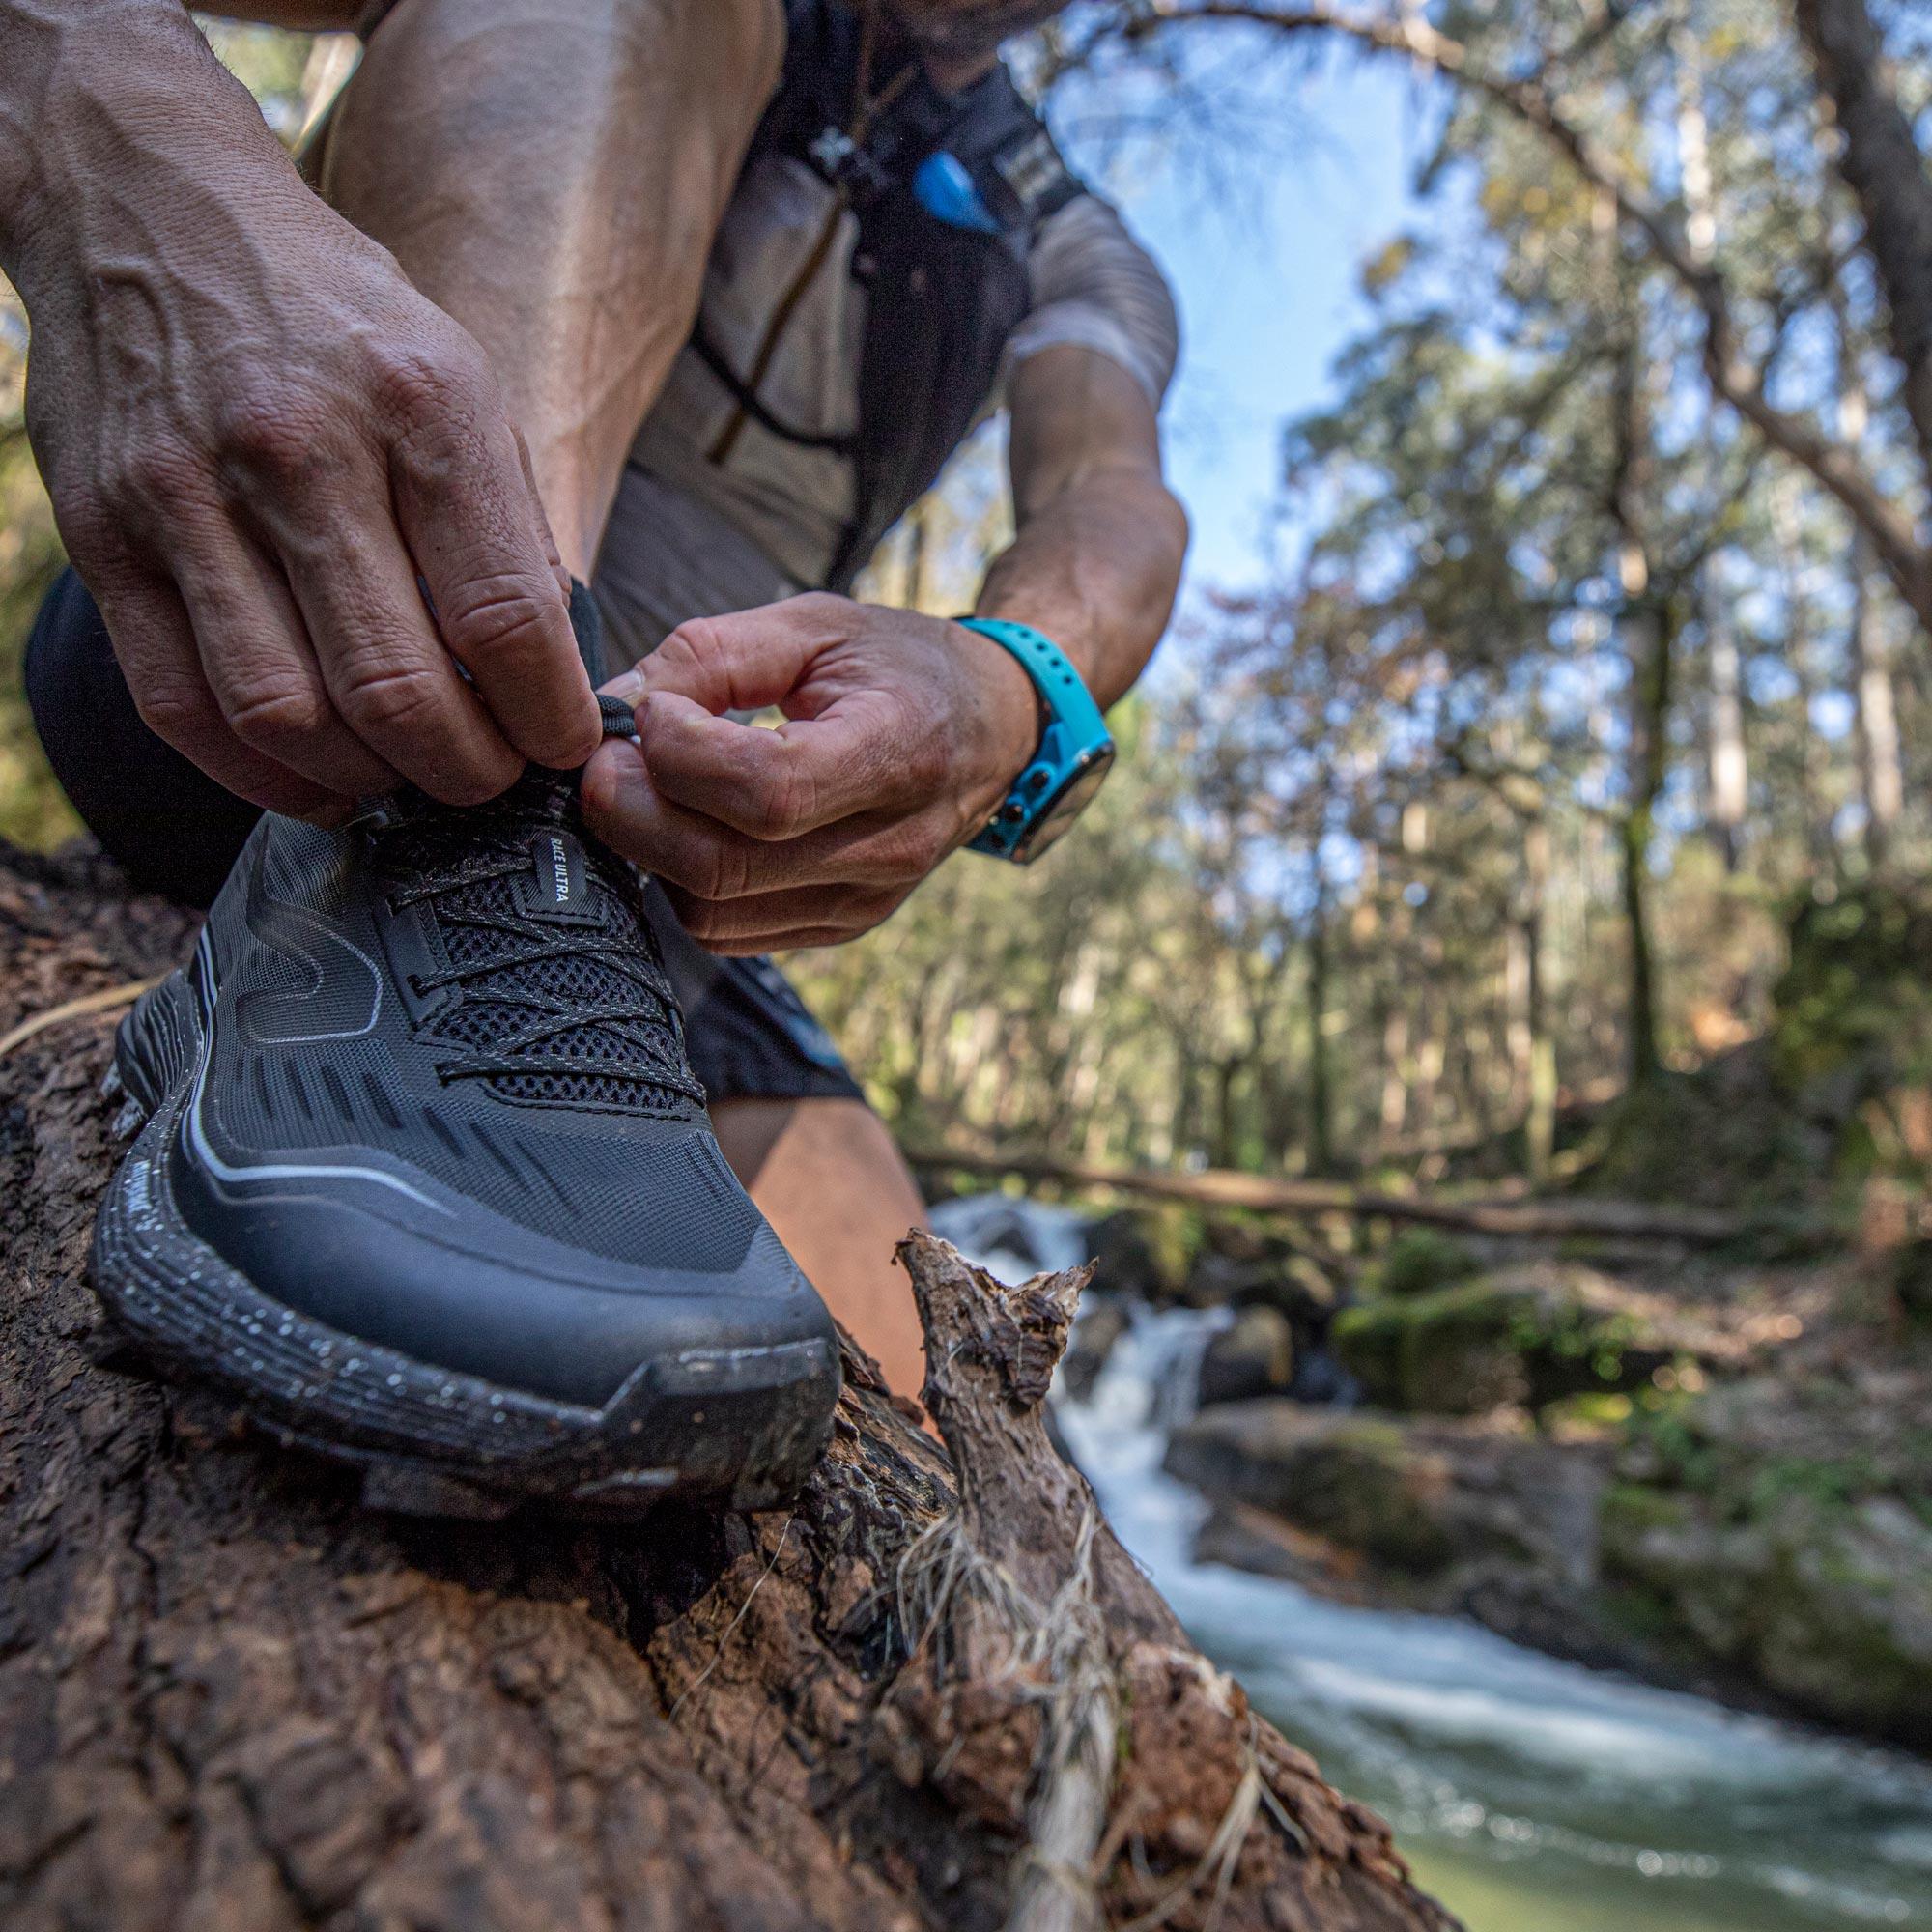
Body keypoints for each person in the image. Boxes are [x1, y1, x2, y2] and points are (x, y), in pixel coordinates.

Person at [3, 0, 1187, 1512]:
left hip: (620, 908)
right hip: (252, 662)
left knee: (956, 1466)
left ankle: (513, 910)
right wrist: (102, 144)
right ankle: (409, 864)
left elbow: (1112, 499)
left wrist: (1010, 686)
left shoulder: (1061, 230)